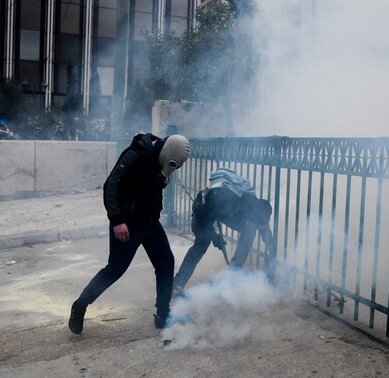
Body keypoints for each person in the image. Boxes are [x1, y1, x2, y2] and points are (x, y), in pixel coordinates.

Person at [68, 132, 191, 334]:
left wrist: (162, 177)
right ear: (166, 152)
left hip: (151, 223)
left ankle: (162, 314)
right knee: (115, 269)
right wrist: (117, 220)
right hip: (127, 225)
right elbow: (111, 185)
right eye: (171, 165)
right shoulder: (135, 154)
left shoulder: (161, 160)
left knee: (166, 263)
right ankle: (80, 305)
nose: (170, 169)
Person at [172, 168, 274, 296]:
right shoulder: (227, 200)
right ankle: (177, 284)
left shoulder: (256, 208)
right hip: (204, 209)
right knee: (202, 242)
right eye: (255, 224)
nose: (257, 227)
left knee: (249, 231)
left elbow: (265, 232)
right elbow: (203, 217)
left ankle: (234, 272)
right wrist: (214, 236)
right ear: (249, 217)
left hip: (228, 213)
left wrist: (273, 253)